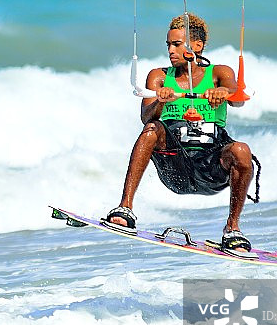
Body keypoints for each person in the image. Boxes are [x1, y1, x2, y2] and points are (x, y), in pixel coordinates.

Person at [105, 13, 257, 255]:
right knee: (152, 128)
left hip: (211, 167)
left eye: (176, 44)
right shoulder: (159, 76)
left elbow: (236, 97)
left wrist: (223, 92)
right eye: (169, 45)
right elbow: (147, 116)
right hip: (174, 166)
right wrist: (161, 103)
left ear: (196, 46)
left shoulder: (220, 72)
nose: (171, 51)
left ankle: (233, 230)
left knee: (242, 151)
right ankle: (125, 208)